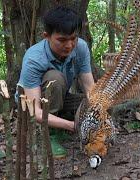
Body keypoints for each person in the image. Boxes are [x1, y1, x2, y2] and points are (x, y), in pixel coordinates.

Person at [17, 6, 95, 157]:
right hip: (33, 105)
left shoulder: (81, 48)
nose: (69, 45)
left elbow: (90, 89)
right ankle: (49, 135)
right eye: (62, 40)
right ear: (46, 36)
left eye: (73, 38)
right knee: (55, 78)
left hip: (62, 97)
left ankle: (64, 123)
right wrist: (74, 126)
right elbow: (35, 111)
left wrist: (99, 111)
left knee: (99, 101)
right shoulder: (34, 58)